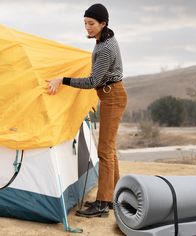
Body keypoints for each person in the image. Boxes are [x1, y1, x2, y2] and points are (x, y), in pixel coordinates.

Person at [47, 3, 127, 218]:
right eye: (85, 23)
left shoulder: (105, 47)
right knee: (109, 149)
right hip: (110, 95)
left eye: (91, 23)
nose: (88, 28)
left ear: (103, 23)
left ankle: (102, 203)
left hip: (113, 97)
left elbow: (93, 81)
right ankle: (115, 195)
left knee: (104, 150)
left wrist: (62, 80)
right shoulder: (102, 40)